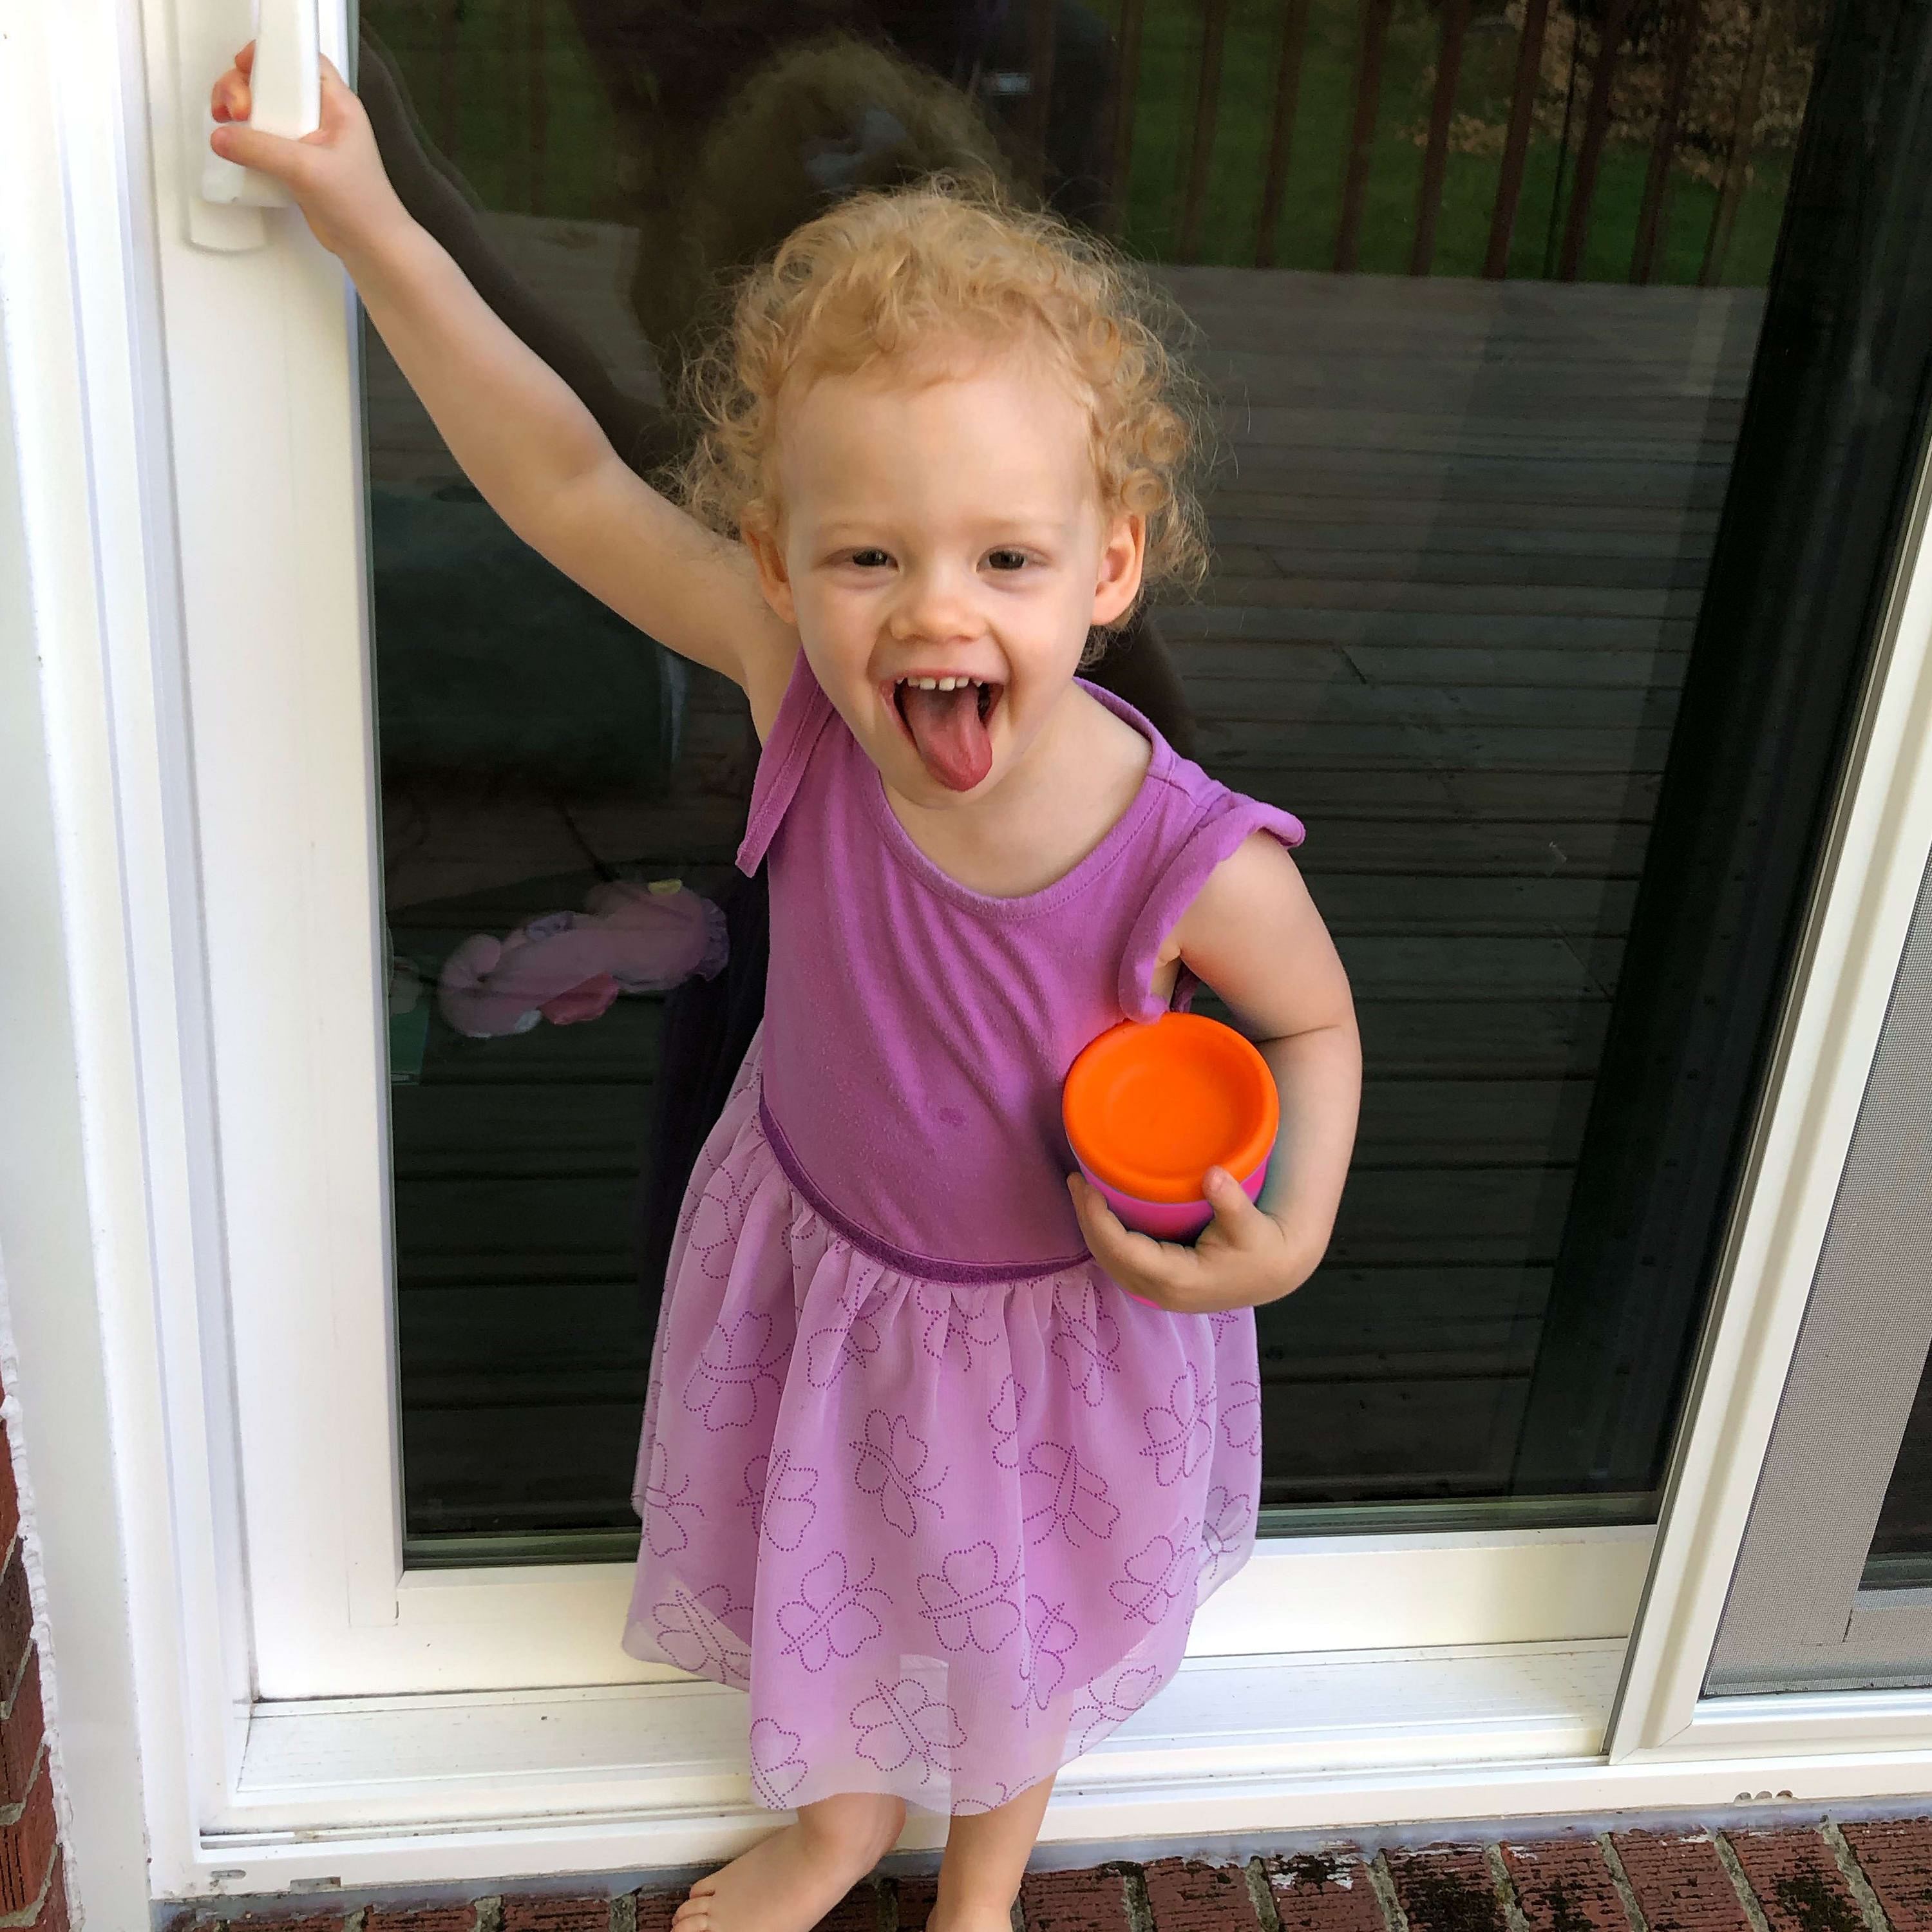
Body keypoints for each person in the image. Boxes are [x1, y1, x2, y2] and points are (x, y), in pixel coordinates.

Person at [211, 46, 1361, 1932]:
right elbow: (564, 477)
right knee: (822, 1539)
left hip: (1054, 1319)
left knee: (1023, 1595)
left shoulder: (1189, 852)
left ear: (1109, 567)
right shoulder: (807, 707)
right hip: (823, 1257)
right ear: (777, 567)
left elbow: (1310, 1027)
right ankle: (837, 1824)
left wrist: (1289, 1228)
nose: (934, 612)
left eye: (1006, 556)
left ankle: (983, 1875)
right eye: (868, 556)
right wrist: (359, 209)